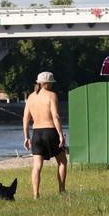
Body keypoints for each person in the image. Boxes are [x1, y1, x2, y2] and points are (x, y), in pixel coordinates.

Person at [22, 71, 67, 199]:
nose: (52, 85)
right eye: (51, 83)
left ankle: (36, 194)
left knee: (37, 165)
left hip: (36, 133)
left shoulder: (30, 97)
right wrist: (60, 134)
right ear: (46, 84)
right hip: (50, 131)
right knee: (62, 161)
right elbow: (56, 116)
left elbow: (25, 119)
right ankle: (62, 190)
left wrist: (26, 137)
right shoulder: (51, 96)